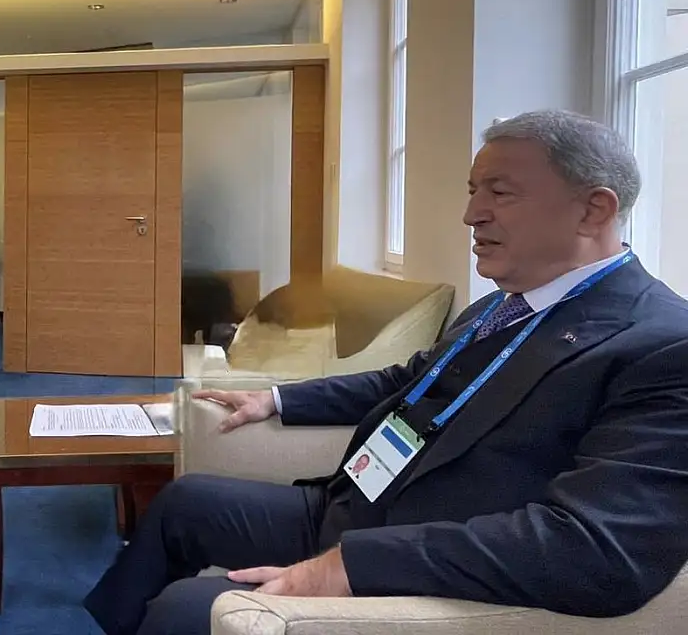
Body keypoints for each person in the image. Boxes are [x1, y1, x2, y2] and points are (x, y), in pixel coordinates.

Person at [83, 109, 688, 635]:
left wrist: (351, 566)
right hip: (359, 503)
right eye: (473, 190)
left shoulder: (662, 347)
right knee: (186, 502)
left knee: (192, 611)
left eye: (500, 193)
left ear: (593, 210)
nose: (471, 214)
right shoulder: (502, 306)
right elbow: (407, 379)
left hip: (425, 556)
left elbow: (595, 549)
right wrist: (278, 400)